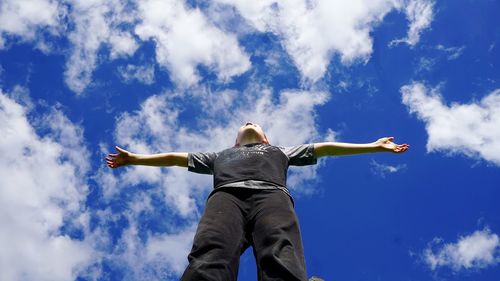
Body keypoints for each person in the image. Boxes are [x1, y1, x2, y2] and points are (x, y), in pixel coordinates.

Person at [106, 122, 409, 281]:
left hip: (271, 196)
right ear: (235, 142)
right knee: (212, 252)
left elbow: (326, 148)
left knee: (279, 250)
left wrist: (373, 146)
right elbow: (175, 158)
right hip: (227, 198)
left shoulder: (279, 151)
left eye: (257, 124)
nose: (249, 122)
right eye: (244, 125)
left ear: (265, 139)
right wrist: (135, 159)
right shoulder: (220, 156)